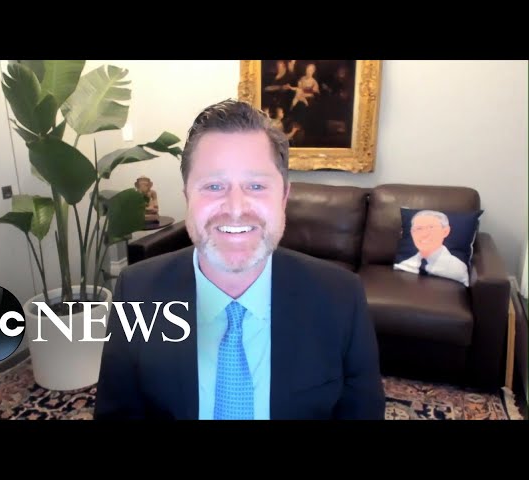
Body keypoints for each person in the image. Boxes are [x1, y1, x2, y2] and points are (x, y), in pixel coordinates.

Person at [94, 99, 385, 420]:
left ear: (284, 197)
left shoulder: (342, 297)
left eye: (256, 186)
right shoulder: (137, 291)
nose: (235, 208)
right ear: (188, 197)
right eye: (213, 185)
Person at [394, 210, 469, 286]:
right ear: (412, 233)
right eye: (419, 228)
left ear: (445, 231)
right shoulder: (405, 264)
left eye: (431, 227)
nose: (424, 234)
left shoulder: (458, 268)